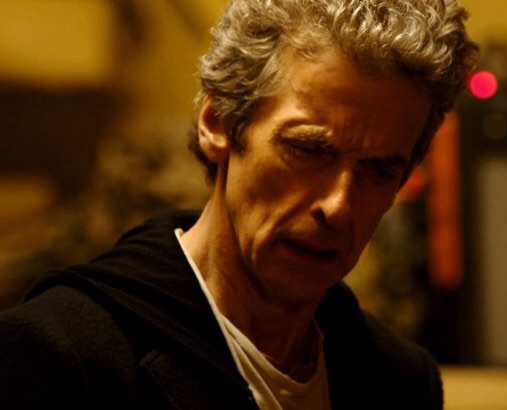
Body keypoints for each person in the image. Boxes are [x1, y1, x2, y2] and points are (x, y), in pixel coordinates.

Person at [0, 0, 479, 408]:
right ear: (218, 123)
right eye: (307, 150)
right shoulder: (60, 357)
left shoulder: (399, 381)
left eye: (380, 171)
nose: (338, 206)